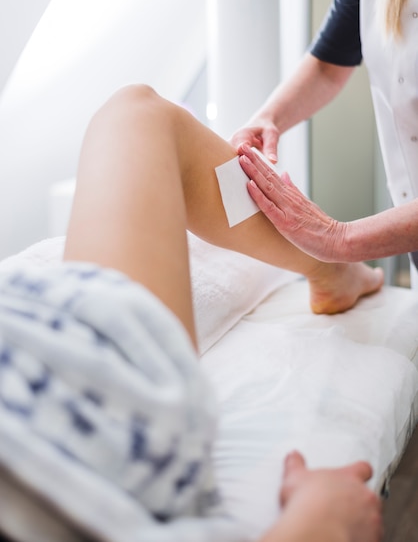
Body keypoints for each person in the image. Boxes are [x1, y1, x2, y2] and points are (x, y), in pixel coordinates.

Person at [0, 85, 382, 542]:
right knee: (137, 115)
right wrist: (320, 526)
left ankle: (330, 269)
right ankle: (332, 269)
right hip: (78, 409)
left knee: (135, 111)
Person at [231, 0, 418, 287]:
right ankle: (339, 277)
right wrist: (270, 117)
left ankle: (338, 275)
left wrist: (336, 240)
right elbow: (329, 64)